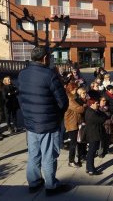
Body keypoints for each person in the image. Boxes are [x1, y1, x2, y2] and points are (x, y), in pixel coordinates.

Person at [17, 46, 71, 196]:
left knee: (33, 154)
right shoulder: (49, 74)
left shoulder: (22, 74)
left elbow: (20, 98)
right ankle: (51, 186)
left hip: (31, 123)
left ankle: (33, 183)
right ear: (45, 58)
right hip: (48, 122)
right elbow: (63, 102)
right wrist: (57, 116)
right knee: (49, 155)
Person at [64, 82, 86, 168]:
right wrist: (84, 106)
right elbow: (79, 109)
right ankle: (71, 161)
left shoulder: (73, 97)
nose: (76, 91)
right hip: (71, 123)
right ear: (71, 89)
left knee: (76, 142)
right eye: (75, 89)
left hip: (75, 122)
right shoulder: (70, 99)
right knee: (73, 143)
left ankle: (77, 158)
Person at [84, 99, 106, 175]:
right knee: (92, 152)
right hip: (93, 134)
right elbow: (102, 119)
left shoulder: (93, 111)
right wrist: (103, 114)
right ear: (91, 104)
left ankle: (88, 167)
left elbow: (103, 115)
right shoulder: (91, 113)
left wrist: (101, 112)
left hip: (94, 133)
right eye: (96, 103)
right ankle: (91, 170)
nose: (98, 104)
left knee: (91, 151)